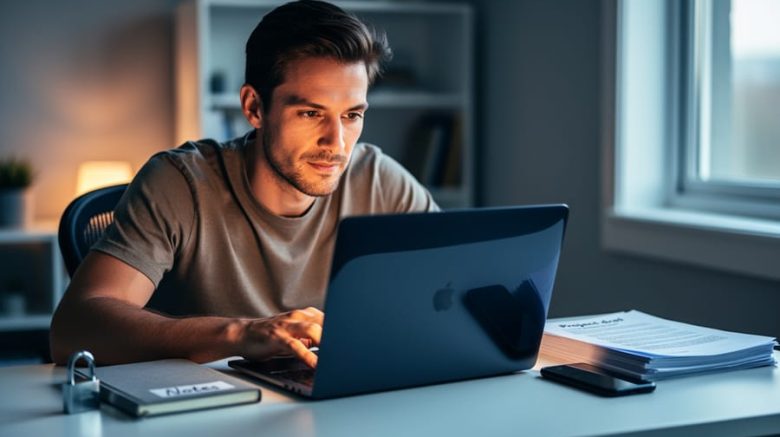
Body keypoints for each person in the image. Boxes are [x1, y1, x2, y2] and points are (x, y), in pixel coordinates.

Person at [50, 0, 438, 369]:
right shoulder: (180, 183)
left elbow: (454, 294)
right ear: (254, 107)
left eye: (351, 115)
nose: (336, 143)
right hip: (205, 409)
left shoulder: (379, 181)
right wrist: (241, 333)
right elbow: (73, 329)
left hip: (333, 403)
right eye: (310, 113)